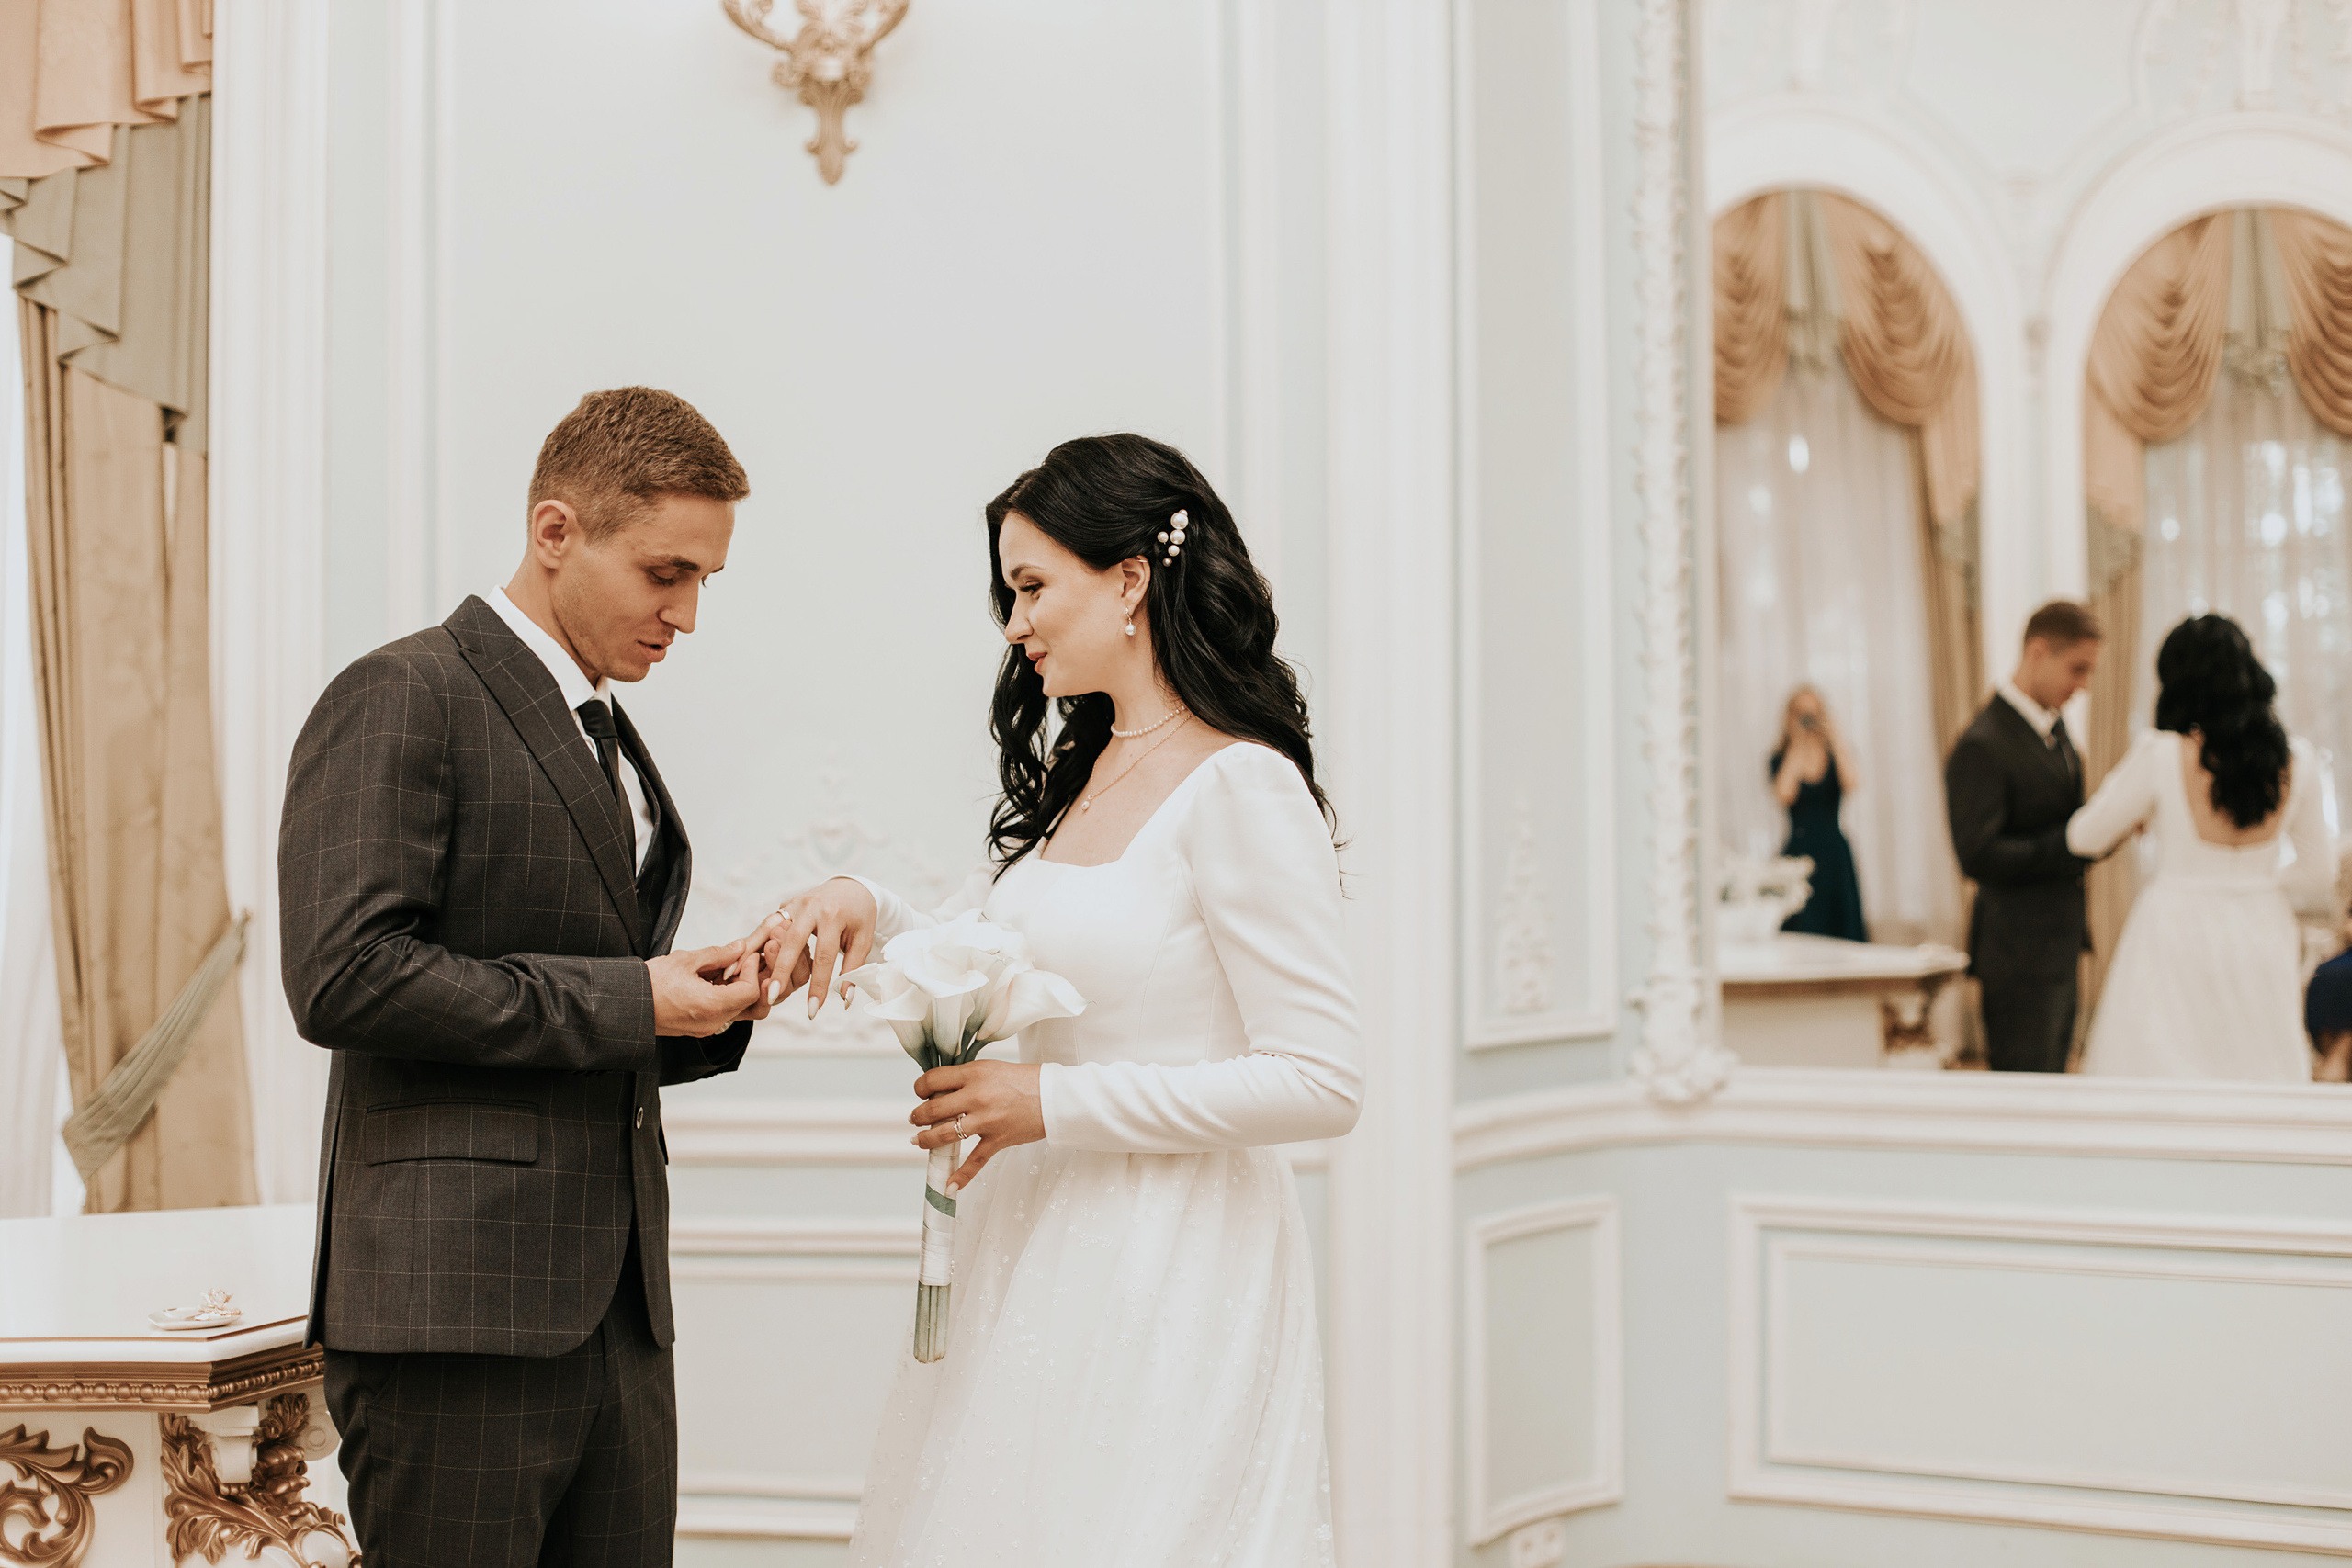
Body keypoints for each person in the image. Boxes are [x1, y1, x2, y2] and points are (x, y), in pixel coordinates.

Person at [762, 434, 1362, 1566]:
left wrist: (1052, 1101)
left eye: (1032, 586)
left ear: (1130, 579)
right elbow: (1019, 949)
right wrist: (867, 904)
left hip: (1173, 1265)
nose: (1014, 623)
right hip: (1039, 1249)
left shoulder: (1240, 784)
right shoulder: (1096, 766)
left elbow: (1322, 1082)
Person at [279, 388, 779, 1568]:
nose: (688, 614)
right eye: (667, 573)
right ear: (555, 532)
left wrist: (697, 995)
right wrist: (633, 997)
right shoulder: (403, 693)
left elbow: (587, 978)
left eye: (705, 580)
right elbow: (344, 977)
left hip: (617, 1319)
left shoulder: (601, 724)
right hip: (453, 1323)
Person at [2069, 615, 2335, 1080]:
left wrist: (2138, 817)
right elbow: (2318, 871)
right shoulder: (2300, 759)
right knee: (2257, 1069)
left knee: (2162, 1071)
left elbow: (2083, 837)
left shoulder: (2162, 753)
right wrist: (2256, 884)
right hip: (2261, 928)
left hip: (2174, 925)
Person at [1944, 601, 2103, 1072]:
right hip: (2016, 957)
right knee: (2024, 1096)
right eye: (2077, 669)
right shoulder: (1982, 742)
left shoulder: (2056, 733)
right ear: (2038, 652)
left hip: (2058, 945)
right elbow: (1977, 854)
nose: (2084, 686)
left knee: (2055, 1089)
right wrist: (2073, 844)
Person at [1770, 686, 1867, 941]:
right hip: (1798, 856)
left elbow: (1853, 782)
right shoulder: (1780, 757)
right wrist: (1796, 743)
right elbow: (1783, 794)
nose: (1808, 720)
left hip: (1835, 854)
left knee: (1843, 930)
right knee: (1802, 930)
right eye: (1802, 714)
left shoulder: (1835, 753)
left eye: (1814, 713)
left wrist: (1834, 736)